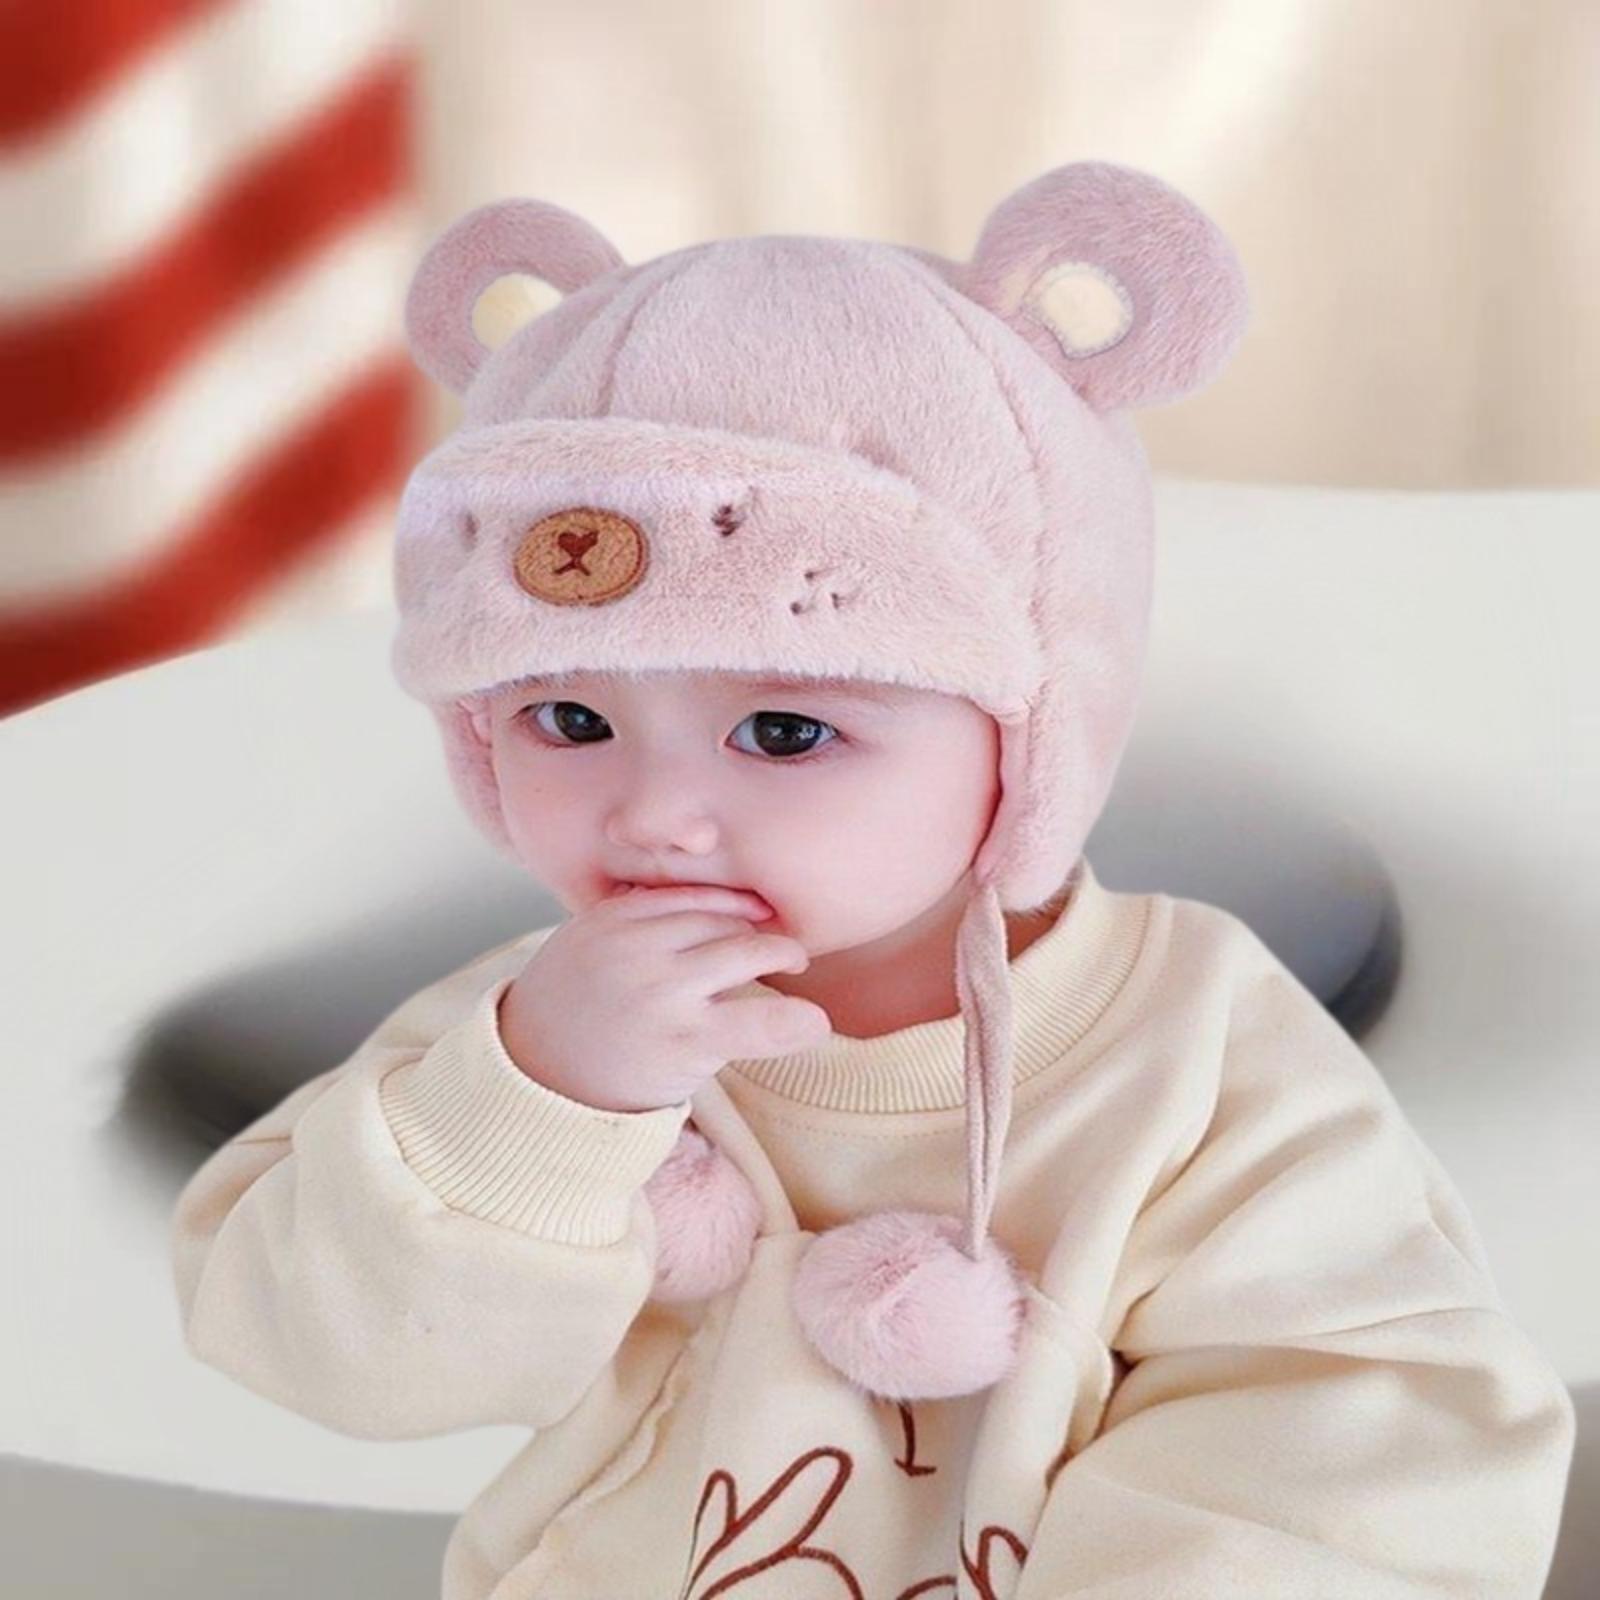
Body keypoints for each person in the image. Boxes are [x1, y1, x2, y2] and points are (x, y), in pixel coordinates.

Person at [170, 162, 1575, 1598]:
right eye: (569, 720)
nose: (654, 815)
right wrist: (543, 1108)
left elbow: (1360, 1442)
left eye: (786, 732)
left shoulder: (1191, 1048)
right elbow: (323, 1353)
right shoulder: (525, 1038)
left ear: (1034, 735)